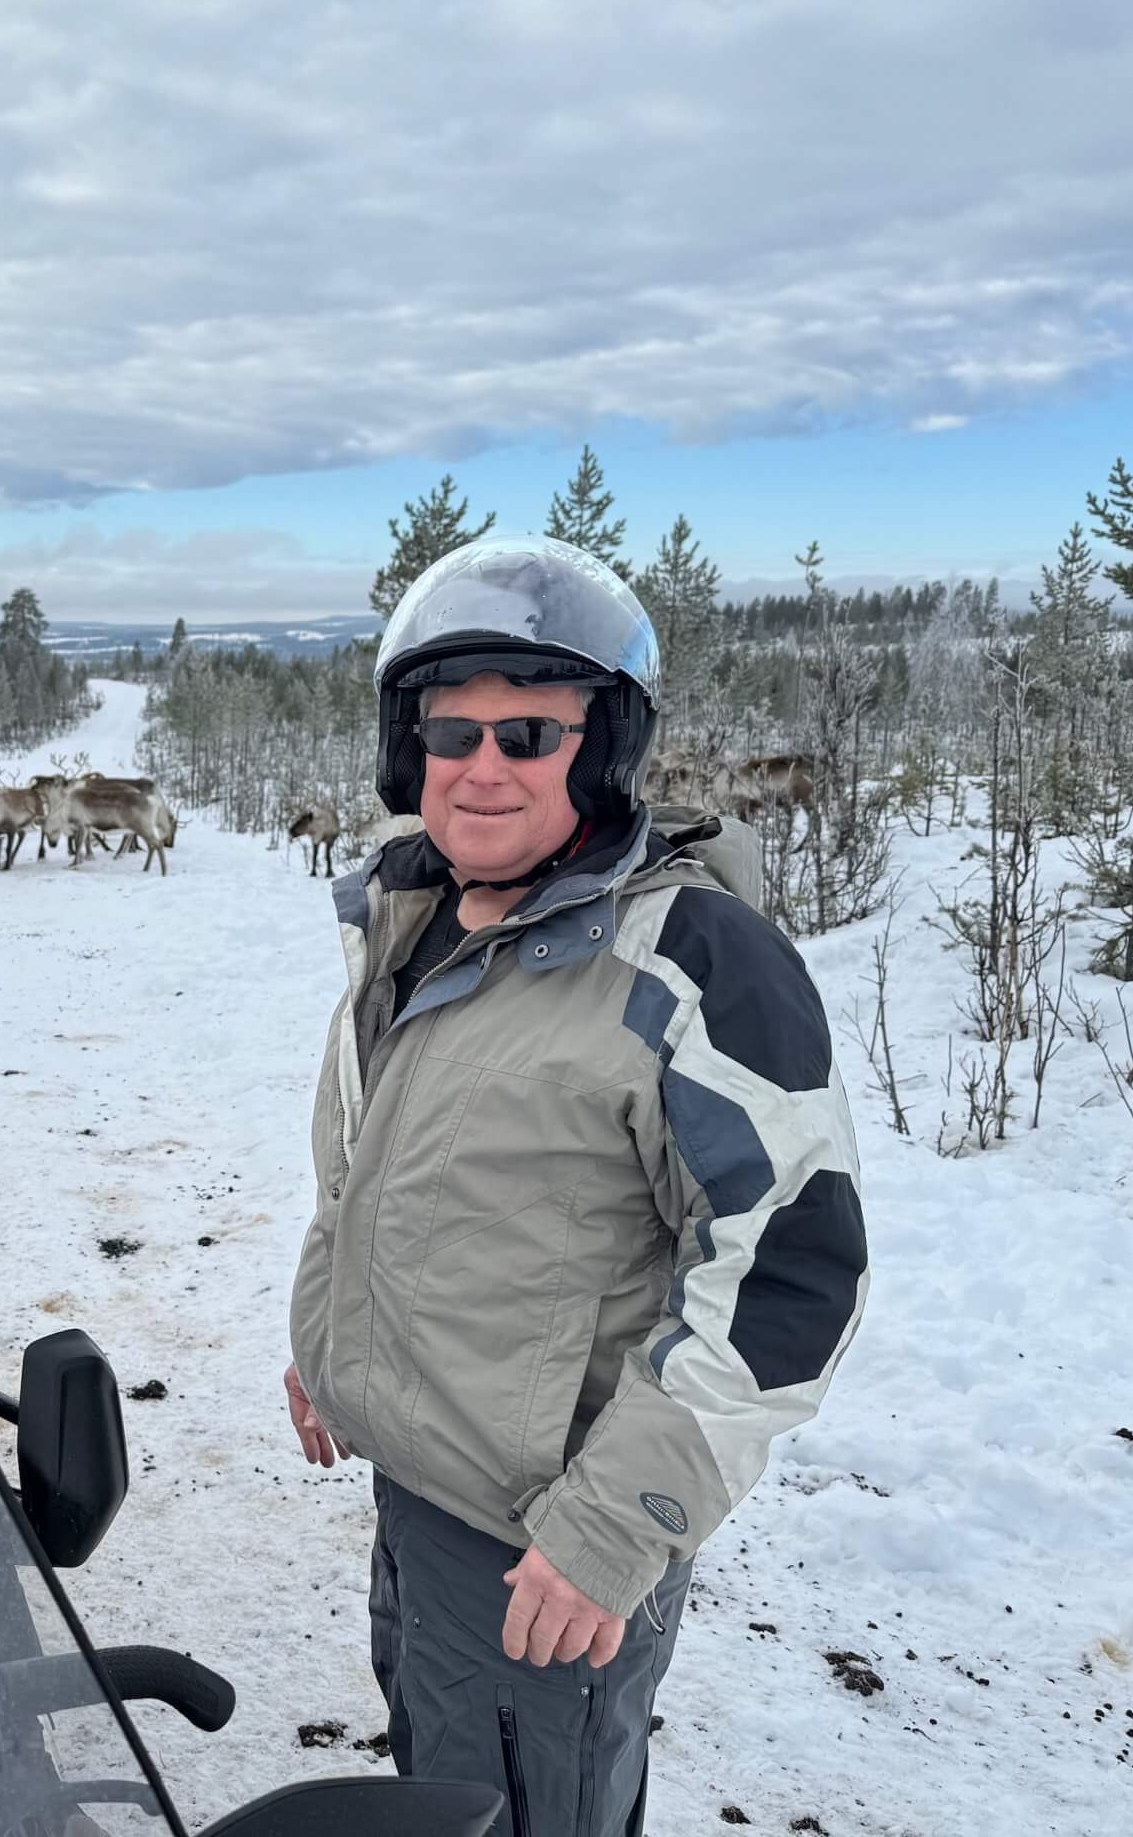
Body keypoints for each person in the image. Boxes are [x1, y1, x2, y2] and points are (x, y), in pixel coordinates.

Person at [284, 537, 867, 1835]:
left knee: (532, 1811)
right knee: (441, 1783)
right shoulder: (417, 923)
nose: (483, 766)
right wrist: (330, 1345)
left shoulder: (694, 964)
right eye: (453, 731)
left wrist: (616, 1525)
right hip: (424, 1491)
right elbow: (373, 1170)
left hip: (549, 1544)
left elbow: (790, 1274)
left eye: (531, 733)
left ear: (601, 750)